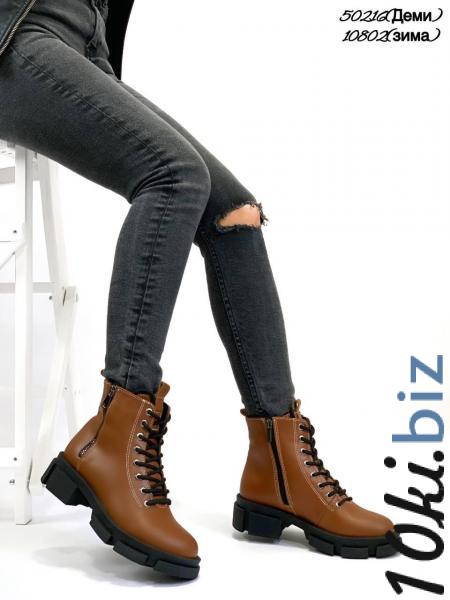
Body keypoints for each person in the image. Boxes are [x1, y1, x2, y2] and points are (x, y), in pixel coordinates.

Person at [0, 0, 398, 581]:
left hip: (84, 42)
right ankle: (114, 434)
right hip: (14, 35)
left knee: (235, 214)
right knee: (174, 175)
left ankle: (278, 465)